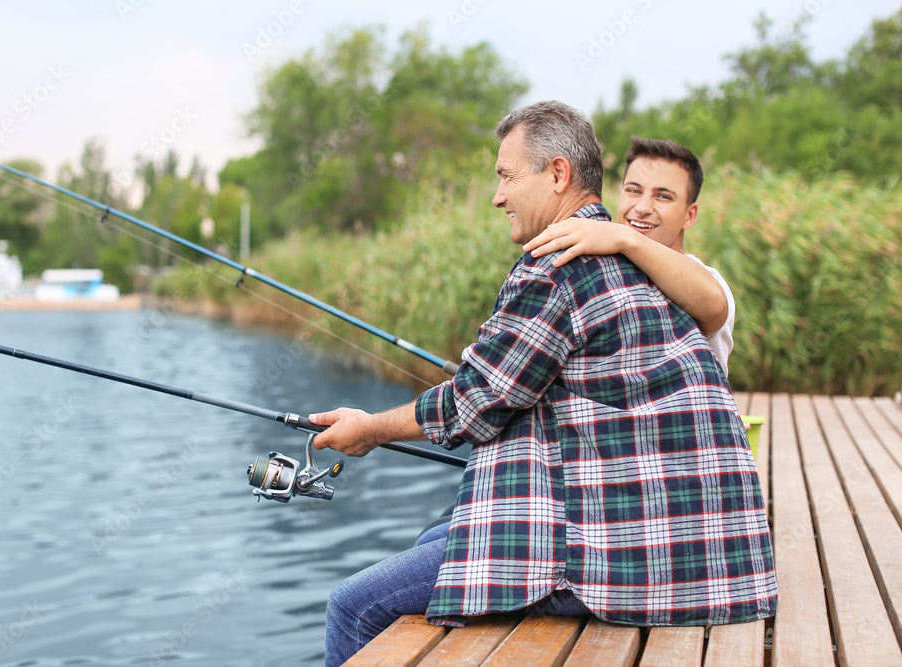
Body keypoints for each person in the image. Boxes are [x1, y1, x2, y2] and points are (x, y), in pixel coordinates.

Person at [311, 101, 776, 667]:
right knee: (439, 535)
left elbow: (472, 404)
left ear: (557, 175)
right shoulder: (648, 262)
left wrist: (369, 430)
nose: (497, 196)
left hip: (628, 561)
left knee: (352, 605)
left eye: (507, 176)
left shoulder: (558, 262)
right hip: (706, 552)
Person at [523, 137, 736, 374]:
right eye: (633, 191)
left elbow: (714, 305)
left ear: (690, 215)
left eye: (663, 196)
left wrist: (625, 237)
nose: (643, 207)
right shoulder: (606, 267)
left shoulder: (705, 278)